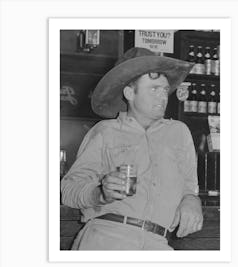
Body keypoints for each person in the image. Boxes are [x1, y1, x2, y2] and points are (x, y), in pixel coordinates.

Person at [61, 47, 203, 250]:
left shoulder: (179, 132)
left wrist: (191, 199)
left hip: (158, 244)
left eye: (164, 89)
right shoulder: (105, 132)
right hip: (107, 239)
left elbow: (190, 184)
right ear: (129, 93)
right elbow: (69, 189)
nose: (163, 96)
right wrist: (100, 193)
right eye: (154, 89)